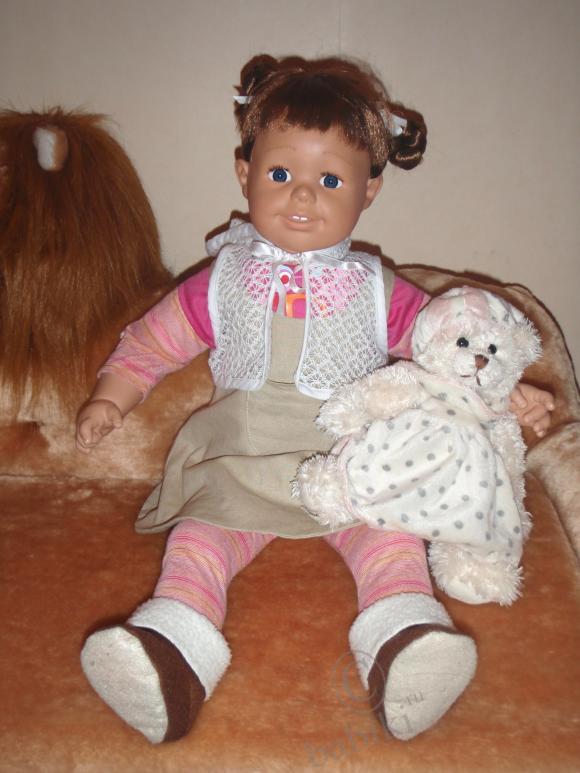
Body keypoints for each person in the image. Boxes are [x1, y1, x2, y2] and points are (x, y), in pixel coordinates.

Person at [76, 54, 554, 745]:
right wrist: (111, 397)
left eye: (329, 180)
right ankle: (173, 649)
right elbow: (154, 341)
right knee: (198, 539)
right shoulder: (221, 280)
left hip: (352, 463)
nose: (303, 195)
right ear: (244, 174)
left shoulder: (378, 291)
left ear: (369, 190)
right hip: (241, 463)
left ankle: (404, 638)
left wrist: (508, 391)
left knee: (390, 537)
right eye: (280, 174)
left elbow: (453, 351)